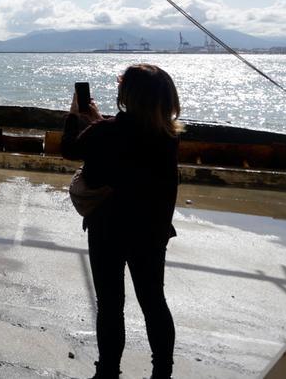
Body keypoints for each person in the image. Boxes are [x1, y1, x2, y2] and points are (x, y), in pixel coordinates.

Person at [61, 64, 182, 379]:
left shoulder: (106, 132)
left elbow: (70, 150)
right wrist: (98, 121)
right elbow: (151, 167)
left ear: (127, 95)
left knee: (111, 304)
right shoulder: (167, 135)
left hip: (108, 230)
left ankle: (108, 372)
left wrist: (76, 115)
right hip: (151, 231)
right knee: (154, 301)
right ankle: (162, 372)